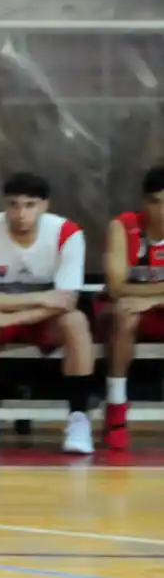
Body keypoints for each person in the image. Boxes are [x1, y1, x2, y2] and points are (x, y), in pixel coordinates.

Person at [0, 172, 93, 455]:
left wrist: (9, 317)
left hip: (36, 318)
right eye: (13, 205)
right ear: (4, 205)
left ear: (45, 205)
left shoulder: (67, 233)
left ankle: (79, 418)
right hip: (1, 314)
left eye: (30, 205)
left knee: (77, 321)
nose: (21, 213)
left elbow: (67, 301)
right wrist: (42, 297)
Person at [101, 165, 164, 449]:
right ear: (145, 202)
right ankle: (116, 407)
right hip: (124, 314)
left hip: (154, 307)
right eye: (156, 202)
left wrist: (151, 299)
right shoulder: (123, 226)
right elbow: (115, 287)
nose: (162, 211)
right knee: (125, 311)